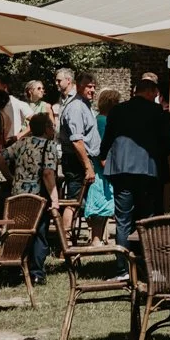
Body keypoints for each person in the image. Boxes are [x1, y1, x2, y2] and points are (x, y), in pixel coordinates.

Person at [102, 74, 170, 246]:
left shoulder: (117, 110)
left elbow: (107, 138)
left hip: (120, 169)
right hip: (147, 169)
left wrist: (102, 156)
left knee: (123, 219)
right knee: (147, 218)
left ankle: (123, 266)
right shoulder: (156, 111)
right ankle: (145, 260)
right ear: (152, 92)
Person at [4, 111, 65, 283]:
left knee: (18, 232)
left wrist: (11, 177)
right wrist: (55, 199)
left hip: (18, 195)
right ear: (46, 128)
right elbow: (47, 173)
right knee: (39, 233)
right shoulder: (49, 146)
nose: (53, 128)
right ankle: (37, 273)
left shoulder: (22, 143)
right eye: (52, 125)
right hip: (37, 197)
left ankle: (14, 269)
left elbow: (1, 157)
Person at [53, 68, 99, 243]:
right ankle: (65, 243)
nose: (92, 90)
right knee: (72, 202)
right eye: (88, 86)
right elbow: (77, 140)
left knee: (78, 201)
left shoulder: (83, 104)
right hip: (76, 160)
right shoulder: (76, 107)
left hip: (81, 159)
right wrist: (87, 166)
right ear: (78, 86)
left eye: (94, 87)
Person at [84, 89, 118, 240]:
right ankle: (96, 239)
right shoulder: (103, 121)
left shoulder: (100, 119)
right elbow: (103, 146)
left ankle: (99, 238)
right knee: (100, 205)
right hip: (103, 168)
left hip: (105, 167)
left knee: (104, 206)